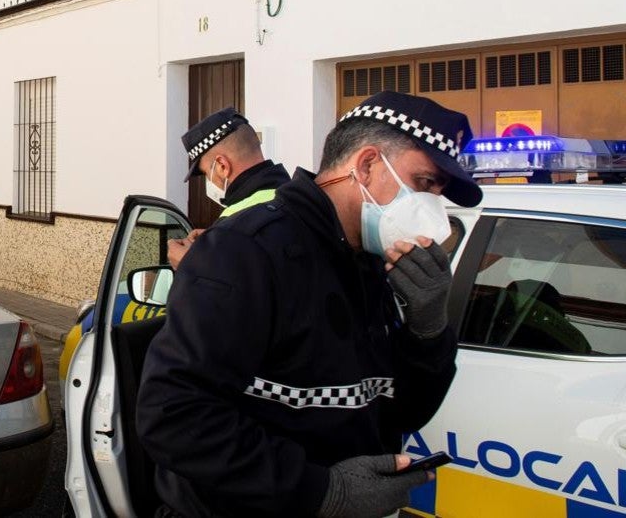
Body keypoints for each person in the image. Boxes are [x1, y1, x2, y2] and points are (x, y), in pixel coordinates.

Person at [138, 91, 482, 518]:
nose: (432, 207)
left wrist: (428, 330)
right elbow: (173, 415)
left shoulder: (374, 263)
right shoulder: (246, 252)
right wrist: (322, 492)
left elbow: (401, 413)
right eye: (425, 184)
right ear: (368, 164)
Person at [169, 107, 290, 270]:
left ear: (222, 165)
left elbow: (221, 291)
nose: (209, 181)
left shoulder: (233, 222)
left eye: (206, 173)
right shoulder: (296, 197)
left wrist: (189, 262)